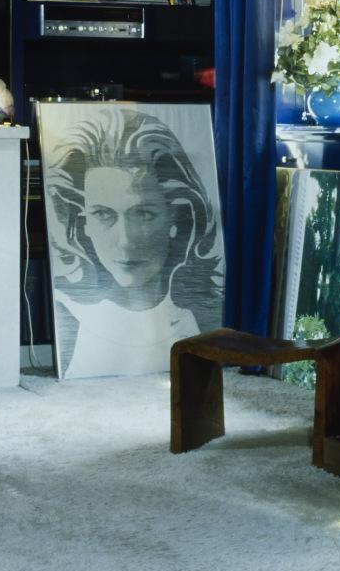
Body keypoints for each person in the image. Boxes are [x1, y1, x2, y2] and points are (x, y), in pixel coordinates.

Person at [42, 107, 223, 377]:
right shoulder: (68, 317)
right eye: (103, 214)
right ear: (84, 223)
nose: (125, 241)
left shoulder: (205, 321)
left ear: (175, 217)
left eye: (144, 214)